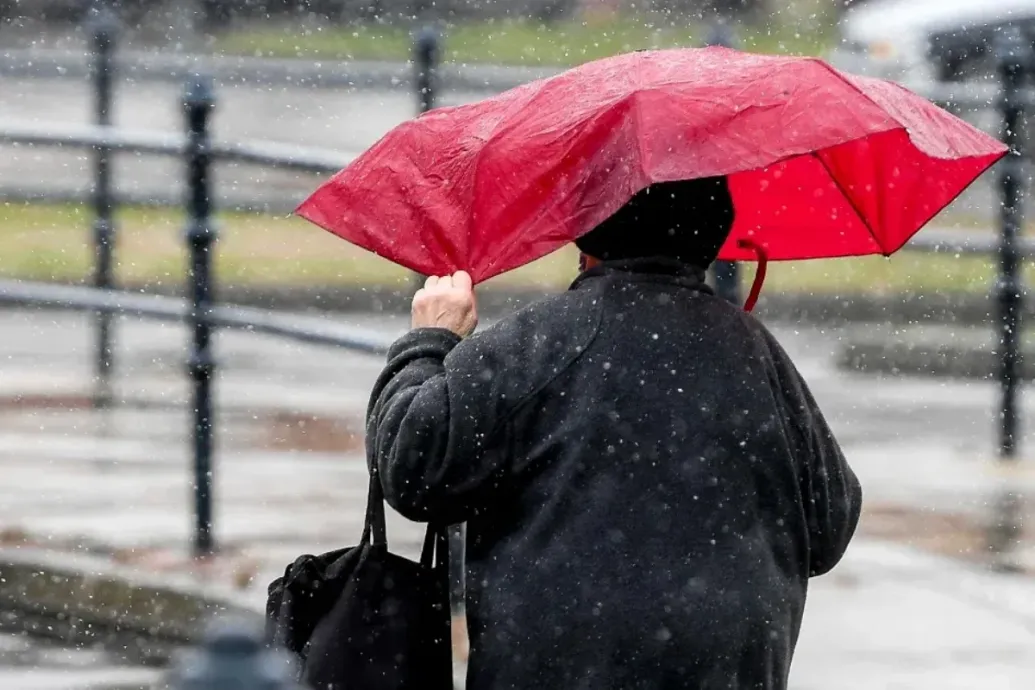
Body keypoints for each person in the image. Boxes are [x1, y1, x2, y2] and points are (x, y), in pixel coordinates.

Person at [365, 176, 862, 690]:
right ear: (714, 233)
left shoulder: (534, 344)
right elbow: (829, 525)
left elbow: (411, 465)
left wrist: (428, 343)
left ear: (585, 231)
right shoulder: (756, 355)